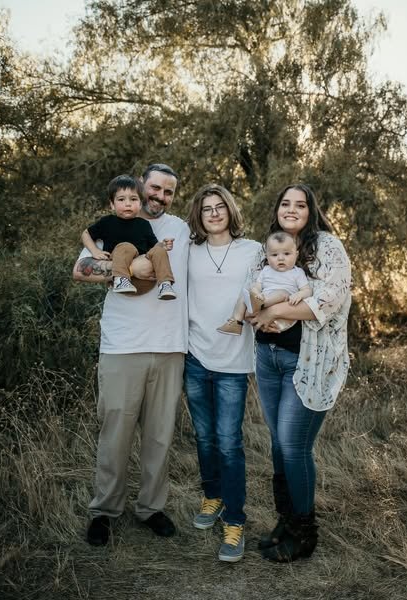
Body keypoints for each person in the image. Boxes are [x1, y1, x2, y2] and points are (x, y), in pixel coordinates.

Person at [73, 163, 189, 546]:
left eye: (167, 192)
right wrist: (126, 267)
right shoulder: (114, 224)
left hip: (170, 346)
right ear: (140, 187)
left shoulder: (181, 230)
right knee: (116, 433)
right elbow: (80, 269)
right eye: (154, 188)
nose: (159, 196)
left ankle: (151, 508)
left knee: (159, 436)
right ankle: (104, 511)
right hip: (123, 346)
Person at [249, 183, 351, 563]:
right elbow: (253, 291)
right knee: (278, 445)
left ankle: (305, 534)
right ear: (277, 208)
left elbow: (329, 298)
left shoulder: (326, 246)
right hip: (268, 357)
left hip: (308, 361)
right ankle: (286, 521)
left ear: (311, 210)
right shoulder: (268, 246)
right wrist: (258, 312)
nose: (291, 209)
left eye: (300, 204)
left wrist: (274, 312)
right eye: (285, 203)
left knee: (294, 446)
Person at [184, 184, 262, 562]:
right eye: (206, 209)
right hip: (195, 357)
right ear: (198, 216)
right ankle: (212, 497)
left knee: (229, 443)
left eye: (220, 207)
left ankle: (235, 522)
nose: (213, 213)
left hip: (232, 362)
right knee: (204, 438)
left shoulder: (253, 251)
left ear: (230, 210)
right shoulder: (189, 251)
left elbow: (264, 292)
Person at [82, 174, 177, 298]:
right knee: (126, 247)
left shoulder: (143, 224)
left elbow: (153, 246)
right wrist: (94, 251)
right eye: (121, 199)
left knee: (159, 251)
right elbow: (86, 234)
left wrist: (162, 245)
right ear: (112, 204)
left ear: (140, 204)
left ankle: (165, 284)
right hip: (124, 277)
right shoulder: (107, 222)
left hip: (146, 280)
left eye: (133, 199)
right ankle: (121, 280)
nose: (128, 204)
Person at [216, 230, 311, 335]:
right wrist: (256, 292)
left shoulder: (297, 272)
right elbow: (258, 286)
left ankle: (259, 304)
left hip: (283, 315)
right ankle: (235, 321)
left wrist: (299, 294)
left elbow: (307, 290)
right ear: (267, 256)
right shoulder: (266, 270)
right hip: (262, 310)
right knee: (246, 291)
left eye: (287, 254)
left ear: (296, 254)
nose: (280, 258)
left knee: (282, 293)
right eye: (274, 255)